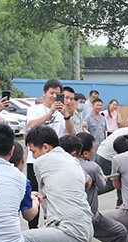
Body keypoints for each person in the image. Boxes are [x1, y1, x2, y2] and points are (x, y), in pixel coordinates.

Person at [22, 126, 94, 242]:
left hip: (70, 229)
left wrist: (37, 197)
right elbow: (88, 182)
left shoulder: (41, 162)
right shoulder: (72, 160)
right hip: (86, 226)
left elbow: (41, 192)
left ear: (46, 147)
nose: (34, 157)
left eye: (34, 151)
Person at [24, 80, 75, 229]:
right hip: (34, 160)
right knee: (34, 194)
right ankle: (33, 228)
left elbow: (71, 133)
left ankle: (52, 225)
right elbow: (32, 124)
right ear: (44, 93)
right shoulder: (35, 109)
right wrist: (51, 112)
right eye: (51, 93)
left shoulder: (62, 111)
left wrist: (66, 116)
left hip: (54, 161)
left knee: (53, 193)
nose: (54, 96)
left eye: (57, 94)